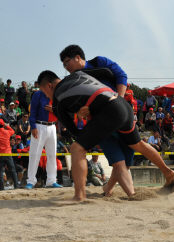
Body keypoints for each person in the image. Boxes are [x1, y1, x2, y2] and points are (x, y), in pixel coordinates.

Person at [37, 69, 174, 201]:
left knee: (76, 148)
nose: (47, 96)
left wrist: (88, 134)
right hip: (122, 104)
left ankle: (79, 195)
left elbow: (74, 131)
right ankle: (169, 173)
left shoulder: (57, 99)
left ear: (49, 86)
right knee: (137, 144)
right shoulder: (78, 74)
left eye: (44, 92)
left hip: (108, 112)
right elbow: (107, 72)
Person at [59, 44, 137, 198]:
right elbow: (77, 105)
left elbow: (121, 75)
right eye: (63, 64)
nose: (66, 66)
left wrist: (118, 101)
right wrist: (81, 110)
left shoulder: (99, 62)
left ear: (78, 57)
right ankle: (132, 195)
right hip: (99, 122)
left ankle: (108, 188)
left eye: (67, 62)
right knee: (118, 162)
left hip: (121, 115)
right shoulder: (72, 80)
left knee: (126, 162)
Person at [25, 83, 61, 189]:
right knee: (34, 154)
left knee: (52, 155)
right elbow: (33, 112)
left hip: (52, 127)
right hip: (39, 125)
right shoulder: (38, 95)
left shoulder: (56, 96)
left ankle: (51, 180)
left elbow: (62, 111)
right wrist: (33, 127)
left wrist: (54, 109)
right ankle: (31, 181)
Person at [0, 119, 20, 190]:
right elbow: (13, 131)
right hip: (8, 154)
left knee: (0, 171)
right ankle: (16, 185)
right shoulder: (7, 132)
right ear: (3, 125)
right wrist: (7, 126)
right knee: (13, 170)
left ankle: (1, 187)